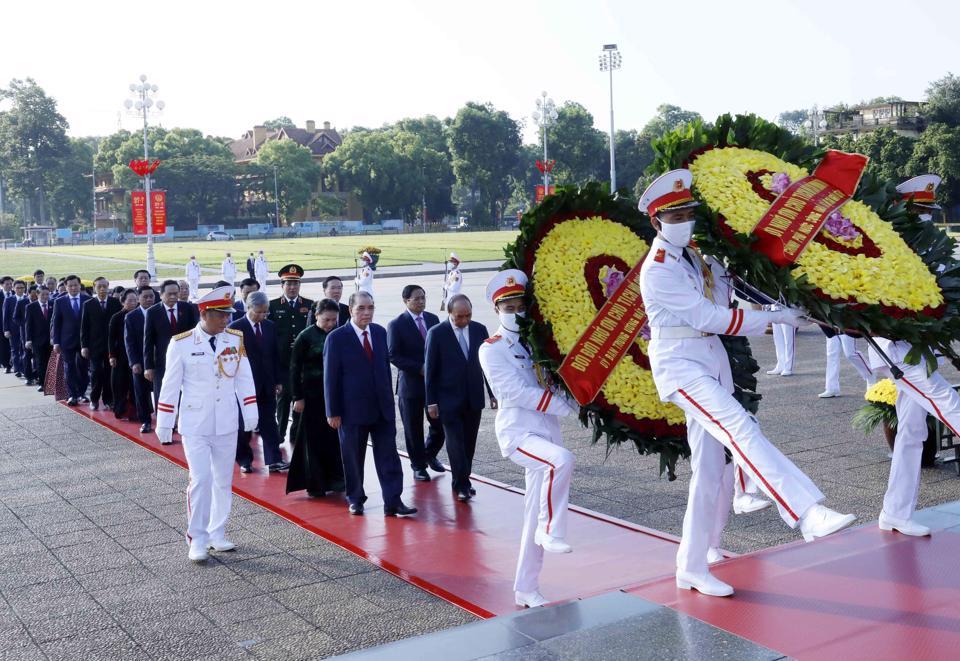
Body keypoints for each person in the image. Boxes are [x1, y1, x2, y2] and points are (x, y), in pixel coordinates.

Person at [638, 169, 856, 598]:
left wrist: (784, 302)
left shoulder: (698, 257)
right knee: (741, 428)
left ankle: (691, 565)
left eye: (688, 212)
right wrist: (775, 319)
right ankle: (805, 512)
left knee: (706, 471)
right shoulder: (658, 268)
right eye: (675, 215)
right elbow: (710, 317)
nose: (685, 220)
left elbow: (734, 294)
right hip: (680, 364)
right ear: (656, 222)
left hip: (711, 359)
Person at [862, 174, 956, 538]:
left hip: (922, 345)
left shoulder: (930, 247)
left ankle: (895, 512)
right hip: (896, 346)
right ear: (901, 209)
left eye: (929, 210)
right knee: (945, 400)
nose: (926, 217)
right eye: (919, 210)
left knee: (913, 431)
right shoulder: (888, 249)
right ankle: (896, 512)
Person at [478, 269, 577, 609]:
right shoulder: (491, 349)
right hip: (518, 432)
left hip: (546, 430)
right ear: (496, 310)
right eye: (508, 306)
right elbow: (513, 390)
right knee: (561, 461)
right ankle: (552, 529)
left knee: (532, 512)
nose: (516, 311)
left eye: (520, 304)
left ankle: (526, 588)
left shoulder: (538, 342)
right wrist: (563, 406)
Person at [155, 285, 258, 562]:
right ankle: (197, 538)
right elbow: (170, 385)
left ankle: (217, 532)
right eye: (221, 315)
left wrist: (251, 413)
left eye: (228, 314)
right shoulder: (182, 343)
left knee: (223, 481)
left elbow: (243, 378)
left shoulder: (234, 340)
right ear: (205, 313)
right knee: (200, 480)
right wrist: (164, 421)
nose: (227, 319)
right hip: (195, 423)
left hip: (225, 421)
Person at [323, 291, 415, 517]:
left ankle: (393, 500)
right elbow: (330, 378)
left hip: (382, 409)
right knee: (353, 458)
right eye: (361, 308)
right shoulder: (336, 338)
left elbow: (384, 369)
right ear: (350, 310)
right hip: (351, 411)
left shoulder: (380, 332)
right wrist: (332, 411)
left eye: (370, 308)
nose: (366, 312)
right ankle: (355, 498)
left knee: (389, 457)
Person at [425, 294, 493, 501]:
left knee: (469, 444)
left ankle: (464, 478)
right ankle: (460, 484)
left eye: (468, 315)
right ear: (449, 313)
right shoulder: (436, 333)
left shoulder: (480, 329)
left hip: (473, 397)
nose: (464, 320)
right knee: (455, 443)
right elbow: (431, 370)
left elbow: (489, 365)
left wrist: (492, 393)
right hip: (448, 400)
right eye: (459, 317)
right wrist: (431, 401)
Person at [286, 298, 345, 497]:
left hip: (334, 395)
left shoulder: (339, 335)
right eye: (326, 320)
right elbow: (294, 369)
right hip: (312, 396)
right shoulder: (306, 337)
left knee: (334, 439)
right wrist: (297, 397)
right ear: (317, 316)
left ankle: (337, 480)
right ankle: (316, 483)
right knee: (313, 441)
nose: (330, 324)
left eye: (334, 320)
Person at [387, 284, 445, 481]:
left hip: (433, 386)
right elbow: (393, 355)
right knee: (413, 428)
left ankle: (429, 454)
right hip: (410, 385)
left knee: (440, 424)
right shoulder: (397, 324)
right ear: (406, 301)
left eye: (423, 297)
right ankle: (418, 465)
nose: (421, 301)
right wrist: (419, 368)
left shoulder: (433, 319)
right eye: (416, 298)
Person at [229, 290, 287, 473]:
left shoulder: (270, 326)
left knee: (270, 422)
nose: (262, 315)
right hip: (244, 386)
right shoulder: (236, 328)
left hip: (267, 384)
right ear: (248, 307)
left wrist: (278, 380)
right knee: (244, 425)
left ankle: (274, 460)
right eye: (259, 312)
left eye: (265, 312)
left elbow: (275, 355)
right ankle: (245, 460)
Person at [268, 264, 314, 441]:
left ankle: (297, 436)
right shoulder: (272, 306)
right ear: (282, 285)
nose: (292, 287)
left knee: (301, 402)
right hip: (283, 364)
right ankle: (278, 437)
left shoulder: (309, 305)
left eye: (296, 283)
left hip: (303, 364)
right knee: (283, 402)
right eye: (288, 284)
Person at [144, 280, 199, 414]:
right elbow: (148, 341)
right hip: (162, 361)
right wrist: (148, 366)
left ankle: (183, 417)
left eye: (176, 293)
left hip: (186, 359)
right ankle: (163, 422)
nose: (173, 297)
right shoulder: (152, 312)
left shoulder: (188, 308)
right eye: (170, 294)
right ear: (161, 295)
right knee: (163, 392)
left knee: (186, 391)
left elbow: (195, 334)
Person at [80, 276, 122, 411]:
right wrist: (84, 346)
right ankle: (94, 399)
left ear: (108, 286)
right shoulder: (88, 304)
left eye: (105, 286)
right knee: (96, 373)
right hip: (94, 346)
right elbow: (84, 327)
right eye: (99, 287)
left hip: (111, 346)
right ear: (94, 288)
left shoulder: (115, 303)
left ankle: (108, 399)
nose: (102, 289)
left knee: (110, 373)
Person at [51, 275, 91, 405]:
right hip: (66, 341)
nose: (73, 287)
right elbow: (56, 323)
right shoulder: (60, 301)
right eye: (70, 285)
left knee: (83, 368)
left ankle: (82, 393)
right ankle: (72, 395)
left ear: (80, 285)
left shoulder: (88, 300)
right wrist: (56, 341)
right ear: (66, 287)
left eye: (75, 285)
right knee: (69, 368)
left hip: (84, 341)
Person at [124, 286, 157, 433]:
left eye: (151, 296)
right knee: (141, 392)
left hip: (158, 362)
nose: (149, 299)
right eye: (145, 297)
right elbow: (129, 341)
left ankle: (165, 422)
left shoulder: (159, 313)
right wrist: (134, 362)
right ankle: (145, 421)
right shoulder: (131, 317)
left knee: (161, 392)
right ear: (138, 299)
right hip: (140, 362)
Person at [108, 289, 139, 420]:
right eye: (130, 300)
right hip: (120, 355)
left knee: (135, 385)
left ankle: (136, 411)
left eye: (135, 300)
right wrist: (112, 356)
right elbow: (111, 338)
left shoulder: (140, 315)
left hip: (136, 354)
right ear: (123, 302)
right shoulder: (116, 317)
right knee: (120, 383)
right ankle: (121, 409)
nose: (133, 303)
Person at [818, 328, 872, 398]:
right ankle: (831, 388)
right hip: (829, 325)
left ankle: (870, 374)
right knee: (831, 355)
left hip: (844, 323)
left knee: (850, 354)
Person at [23, 286, 53, 392]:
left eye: (47, 294)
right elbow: (28, 324)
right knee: (40, 362)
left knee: (51, 362)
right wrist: (28, 339)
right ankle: (42, 383)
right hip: (37, 340)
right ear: (37, 294)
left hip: (51, 340)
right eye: (43, 294)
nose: (45, 297)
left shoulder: (53, 305)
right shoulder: (31, 307)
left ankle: (51, 383)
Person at [13, 284, 37, 386]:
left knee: (38, 356)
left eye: (36, 296)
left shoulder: (41, 303)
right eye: (32, 296)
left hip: (39, 333)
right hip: (26, 333)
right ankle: (28, 377)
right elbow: (15, 317)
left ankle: (37, 375)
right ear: (28, 294)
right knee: (27, 355)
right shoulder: (22, 302)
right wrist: (25, 324)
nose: (34, 298)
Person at [2, 279, 26, 378]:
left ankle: (24, 368)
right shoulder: (9, 300)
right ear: (13, 288)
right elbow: (5, 316)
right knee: (15, 350)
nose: (20, 290)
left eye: (22, 288)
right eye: (17, 288)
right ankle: (17, 369)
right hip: (13, 330)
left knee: (24, 350)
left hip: (25, 330)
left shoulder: (27, 299)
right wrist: (6, 329)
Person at [0, 276, 11, 373]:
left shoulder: (16, 293)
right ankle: (6, 365)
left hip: (14, 325)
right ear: (2, 285)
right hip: (1, 325)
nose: (9, 286)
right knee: (3, 346)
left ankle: (15, 364)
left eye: (10, 283)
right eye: (7, 284)